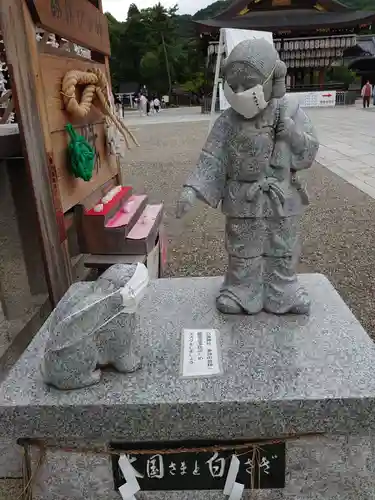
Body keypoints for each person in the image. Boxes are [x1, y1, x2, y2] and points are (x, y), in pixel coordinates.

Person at [176, 38, 319, 315]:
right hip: (242, 198)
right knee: (243, 248)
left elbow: (309, 152)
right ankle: (242, 289)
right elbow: (212, 158)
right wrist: (192, 189)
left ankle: (283, 290)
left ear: (272, 80)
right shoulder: (227, 122)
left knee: (282, 246)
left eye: (248, 84)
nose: (239, 92)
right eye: (234, 85)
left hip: (281, 194)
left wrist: (292, 135)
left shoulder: (290, 112)